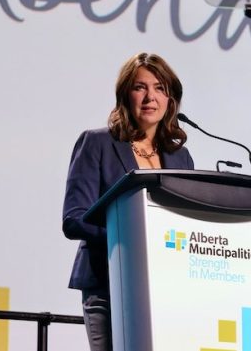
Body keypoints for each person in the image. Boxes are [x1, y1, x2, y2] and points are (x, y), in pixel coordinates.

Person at [62, 52, 194, 351]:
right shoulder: (97, 143)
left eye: (160, 88)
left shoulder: (180, 156)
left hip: (167, 288)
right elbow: (74, 219)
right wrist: (131, 238)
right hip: (109, 284)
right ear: (126, 95)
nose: (150, 97)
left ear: (170, 99)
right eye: (140, 87)